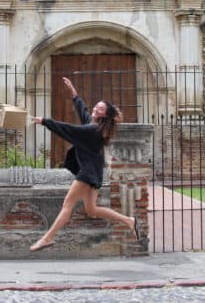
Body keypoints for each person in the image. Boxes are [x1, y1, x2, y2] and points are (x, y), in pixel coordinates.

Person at [29, 76, 141, 251]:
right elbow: (84, 112)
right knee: (92, 210)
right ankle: (129, 221)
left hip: (87, 174)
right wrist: (74, 94)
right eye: (97, 105)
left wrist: (45, 121)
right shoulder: (96, 126)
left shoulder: (93, 130)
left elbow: (69, 130)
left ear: (105, 115)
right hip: (94, 173)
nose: (96, 108)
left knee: (68, 203)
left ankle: (47, 238)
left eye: (101, 108)